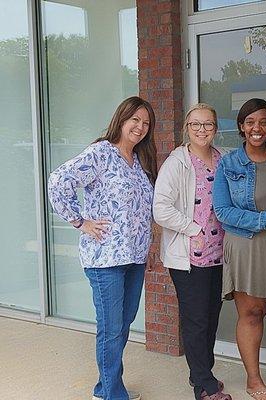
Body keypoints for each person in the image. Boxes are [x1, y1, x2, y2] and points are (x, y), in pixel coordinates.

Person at [48, 96, 157, 400]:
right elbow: (58, 182)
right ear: (121, 119)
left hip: (135, 257)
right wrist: (79, 222)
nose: (140, 127)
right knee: (110, 328)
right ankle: (111, 394)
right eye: (135, 119)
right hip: (105, 257)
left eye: (146, 123)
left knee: (122, 324)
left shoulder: (139, 161)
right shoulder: (100, 153)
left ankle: (105, 386)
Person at [212, 98, 266, 400]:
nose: (256, 128)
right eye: (249, 122)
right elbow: (222, 210)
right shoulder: (229, 163)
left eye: (262, 122)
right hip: (246, 246)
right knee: (252, 314)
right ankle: (254, 379)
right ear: (241, 127)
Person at [153, 103, 232, 400]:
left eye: (208, 124)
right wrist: (194, 229)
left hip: (219, 254)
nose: (202, 130)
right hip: (189, 257)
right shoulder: (178, 162)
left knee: (211, 316)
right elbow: (160, 208)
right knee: (196, 318)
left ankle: (202, 373)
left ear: (215, 127)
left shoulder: (220, 158)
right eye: (196, 124)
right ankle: (203, 385)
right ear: (187, 127)